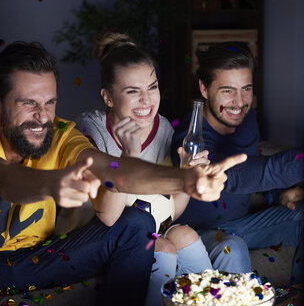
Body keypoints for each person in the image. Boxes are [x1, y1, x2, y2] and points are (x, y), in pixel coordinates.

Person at [0, 41, 245, 306]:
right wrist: (52, 184)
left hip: (41, 260)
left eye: (50, 102)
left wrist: (187, 180)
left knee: (137, 224)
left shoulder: (63, 133)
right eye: (28, 103)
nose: (42, 117)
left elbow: (111, 170)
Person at [170, 42, 304, 283]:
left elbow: (255, 169)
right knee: (231, 248)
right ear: (204, 88)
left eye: (246, 89)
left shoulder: (244, 118)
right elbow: (240, 175)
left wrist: (279, 194)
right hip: (201, 232)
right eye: (227, 90)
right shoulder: (190, 140)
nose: (239, 102)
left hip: (243, 223)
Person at [75, 32, 217, 306]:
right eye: (132, 91)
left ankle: (217, 300)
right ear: (108, 97)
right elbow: (108, 218)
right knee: (161, 245)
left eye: (152, 87)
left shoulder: (163, 128)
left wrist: (188, 174)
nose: (146, 100)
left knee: (184, 235)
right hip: (99, 235)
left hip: (147, 230)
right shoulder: (89, 130)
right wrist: (129, 156)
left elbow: (168, 212)